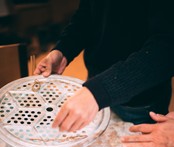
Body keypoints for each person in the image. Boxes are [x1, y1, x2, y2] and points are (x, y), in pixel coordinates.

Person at [34, 0, 174, 133]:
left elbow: (166, 48)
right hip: (95, 84)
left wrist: (100, 91)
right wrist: (63, 50)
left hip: (138, 100)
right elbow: (87, 15)